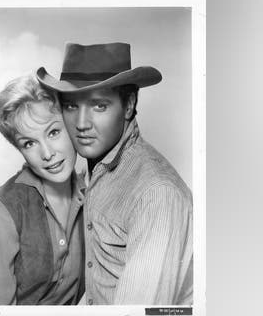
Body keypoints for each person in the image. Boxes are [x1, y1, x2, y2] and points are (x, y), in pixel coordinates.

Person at [37, 42, 193, 305]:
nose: (82, 124)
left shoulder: (156, 194)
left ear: (129, 105)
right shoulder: (94, 170)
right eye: (71, 106)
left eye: (99, 106)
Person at [0, 74, 85, 305]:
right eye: (29, 143)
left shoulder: (93, 196)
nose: (47, 153)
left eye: (54, 132)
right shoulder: (0, 212)